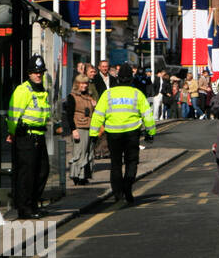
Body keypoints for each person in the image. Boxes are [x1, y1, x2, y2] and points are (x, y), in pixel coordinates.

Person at [90, 64, 156, 206]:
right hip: (132, 133)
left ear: (118, 79)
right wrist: (151, 132)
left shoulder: (107, 95)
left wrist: (93, 135)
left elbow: (98, 115)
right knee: (132, 162)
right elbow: (147, 115)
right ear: (131, 79)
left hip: (113, 134)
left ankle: (118, 193)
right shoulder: (137, 94)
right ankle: (128, 186)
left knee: (116, 163)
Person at [6, 54, 51, 219]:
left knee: (42, 171)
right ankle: (25, 208)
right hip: (26, 136)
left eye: (40, 72)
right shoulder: (22, 90)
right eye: (34, 72)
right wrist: (12, 133)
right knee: (27, 173)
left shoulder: (42, 91)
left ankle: (33, 203)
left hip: (39, 136)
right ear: (29, 73)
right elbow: (13, 115)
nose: (38, 75)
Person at [61, 73, 97, 185]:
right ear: (77, 84)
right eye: (82, 83)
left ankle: (85, 176)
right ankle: (77, 176)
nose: (84, 85)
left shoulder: (89, 97)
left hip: (90, 127)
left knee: (88, 153)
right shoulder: (72, 97)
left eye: (86, 83)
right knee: (79, 153)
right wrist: (74, 130)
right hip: (79, 128)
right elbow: (69, 115)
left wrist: (94, 106)